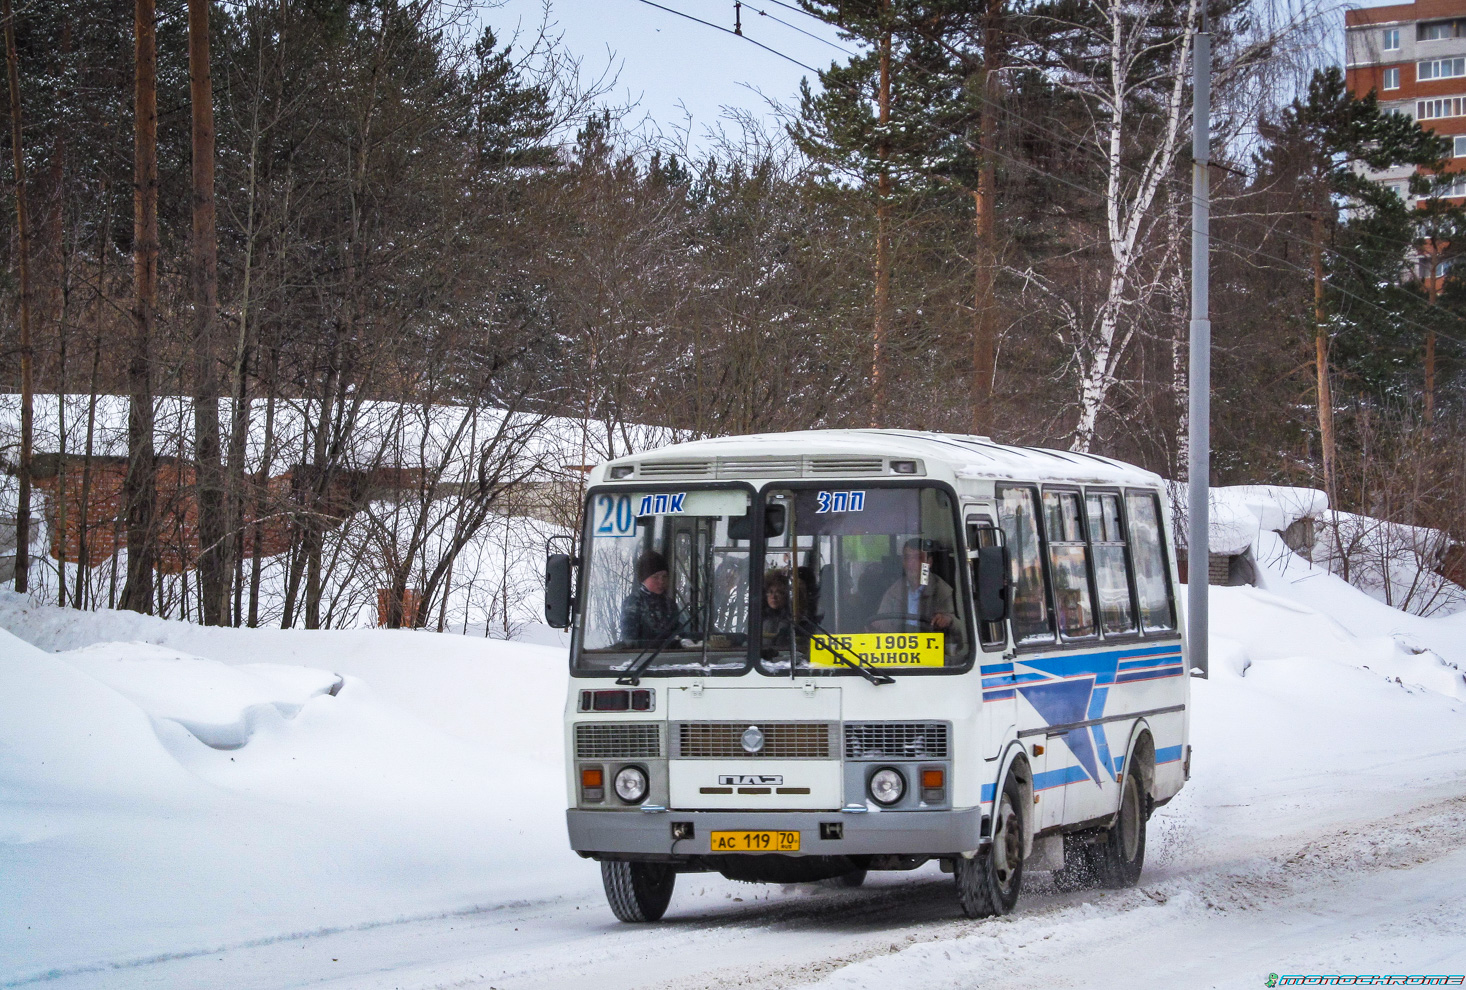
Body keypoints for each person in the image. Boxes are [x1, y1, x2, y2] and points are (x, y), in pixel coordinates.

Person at [873, 539, 962, 648]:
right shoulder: (893, 591)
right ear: (903, 562)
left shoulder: (942, 590)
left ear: (929, 562)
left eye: (918, 558)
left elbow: (962, 628)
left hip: (932, 652)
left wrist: (948, 620)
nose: (911, 564)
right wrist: (876, 626)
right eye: (907, 558)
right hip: (898, 651)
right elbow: (882, 622)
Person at [619, 550, 678, 647]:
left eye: (664, 576)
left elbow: (678, 634)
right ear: (643, 579)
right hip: (643, 660)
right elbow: (629, 642)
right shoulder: (633, 603)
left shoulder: (670, 604)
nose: (661, 581)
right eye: (655, 577)